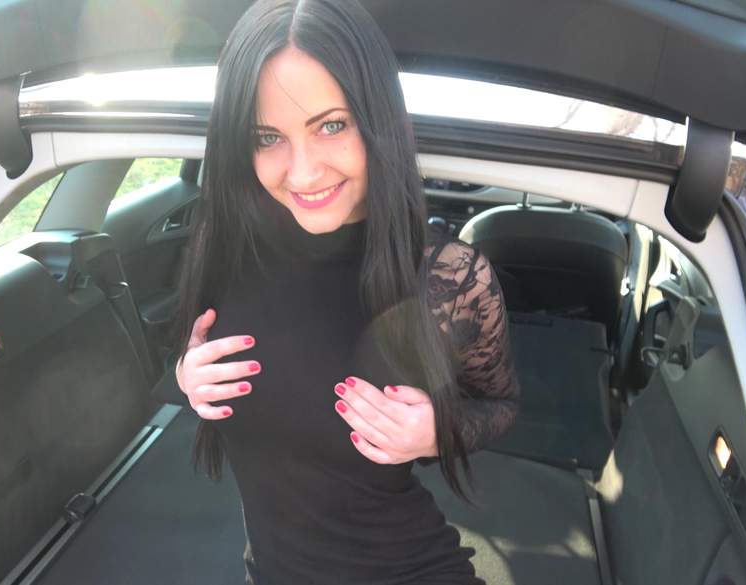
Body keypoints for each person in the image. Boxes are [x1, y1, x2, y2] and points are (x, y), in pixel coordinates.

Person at [169, 0, 520, 583]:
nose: (303, 172)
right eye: (267, 136)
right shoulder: (225, 244)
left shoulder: (451, 277)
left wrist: (437, 431)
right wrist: (187, 375)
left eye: (330, 125)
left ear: (375, 119)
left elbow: (501, 407)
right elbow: (193, 354)